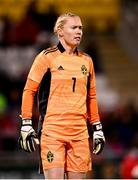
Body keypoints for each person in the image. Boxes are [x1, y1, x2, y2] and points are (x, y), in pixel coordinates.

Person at [18, 12, 105, 179]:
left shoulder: (87, 60)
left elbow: (91, 97)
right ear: (60, 31)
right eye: (73, 27)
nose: (79, 31)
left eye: (80, 28)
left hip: (80, 132)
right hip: (53, 131)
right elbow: (29, 90)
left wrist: (97, 128)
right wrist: (26, 123)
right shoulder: (46, 57)